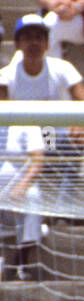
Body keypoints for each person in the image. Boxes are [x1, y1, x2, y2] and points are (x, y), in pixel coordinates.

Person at [0, 14, 84, 217]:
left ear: (47, 43)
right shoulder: (6, 76)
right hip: (23, 142)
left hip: (51, 136)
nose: (34, 43)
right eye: (27, 38)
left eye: (39, 37)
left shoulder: (62, 69)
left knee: (75, 140)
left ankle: (63, 212)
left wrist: (81, 124)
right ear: (17, 44)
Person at [0, 103, 44, 281]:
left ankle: (22, 261)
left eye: (3, 90)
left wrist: (21, 186)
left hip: (17, 188)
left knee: (34, 196)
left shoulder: (25, 120)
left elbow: (39, 161)